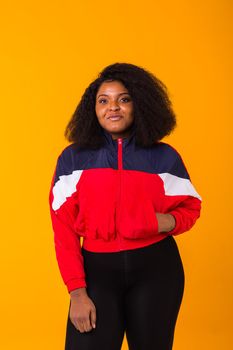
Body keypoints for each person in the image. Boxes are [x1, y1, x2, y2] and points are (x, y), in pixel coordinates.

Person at [48, 62, 202, 350]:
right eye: (103, 100)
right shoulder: (73, 160)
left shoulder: (164, 157)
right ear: (92, 109)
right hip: (97, 271)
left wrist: (160, 222)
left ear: (139, 105)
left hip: (156, 269)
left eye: (124, 99)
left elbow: (190, 207)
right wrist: (77, 293)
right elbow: (63, 229)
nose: (113, 108)